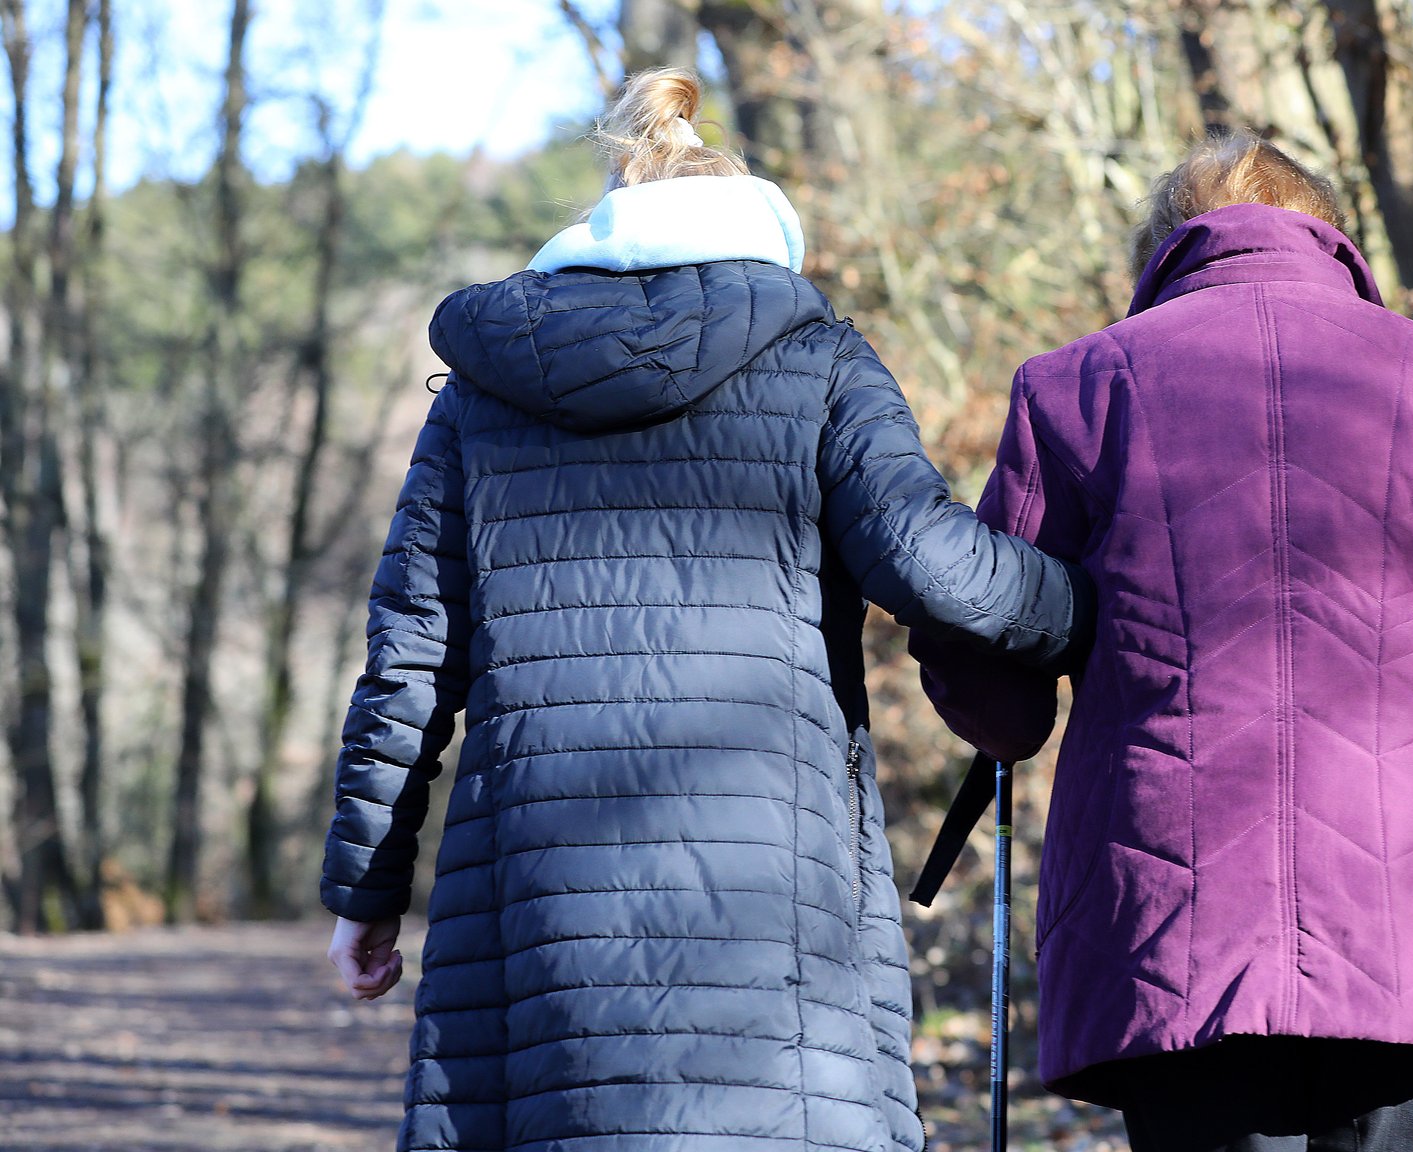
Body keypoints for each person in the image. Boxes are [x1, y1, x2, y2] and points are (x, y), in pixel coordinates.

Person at [320, 68, 1089, 1152]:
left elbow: (408, 661)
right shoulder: (819, 360)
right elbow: (933, 566)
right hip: (774, 902)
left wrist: (366, 889)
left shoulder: (484, 396)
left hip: (536, 901)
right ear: (758, 234)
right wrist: (1089, 609)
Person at [912, 130, 1413, 1152]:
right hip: (1405, 918)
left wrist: (1012, 724)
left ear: (1162, 252)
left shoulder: (1076, 387)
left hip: (1167, 917)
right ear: (1334, 239)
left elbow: (981, 642)